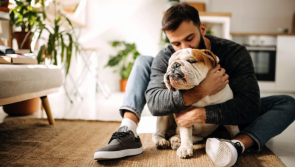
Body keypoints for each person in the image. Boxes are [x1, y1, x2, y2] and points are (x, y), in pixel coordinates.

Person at [94, 2, 295, 166]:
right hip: (191, 123)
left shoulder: (234, 53)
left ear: (202, 29)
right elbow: (155, 104)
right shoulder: (167, 57)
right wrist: (202, 90)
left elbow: (250, 106)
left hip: (229, 119)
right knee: (143, 60)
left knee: (288, 102)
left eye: (189, 38)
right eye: (176, 44)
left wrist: (201, 114)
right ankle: (127, 131)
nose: (184, 48)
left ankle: (237, 144)